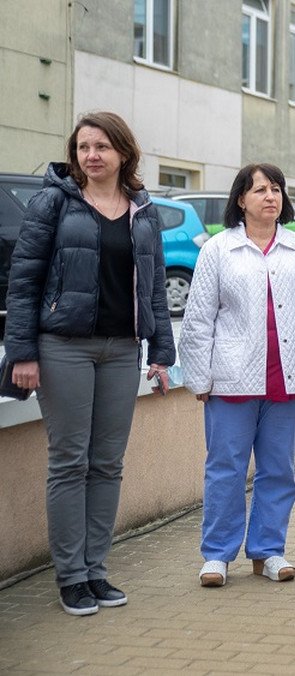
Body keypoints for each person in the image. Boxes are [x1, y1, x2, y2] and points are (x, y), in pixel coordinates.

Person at [4, 111, 174, 616]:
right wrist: (23, 353)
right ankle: (71, 577)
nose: (91, 156)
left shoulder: (143, 211)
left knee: (108, 464)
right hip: (64, 346)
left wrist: (162, 352)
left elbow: (156, 290)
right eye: (83, 147)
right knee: (69, 460)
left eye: (101, 146)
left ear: (124, 152)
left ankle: (97, 571)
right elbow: (24, 280)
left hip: (123, 349)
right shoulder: (53, 202)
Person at [179, 163, 295, 588]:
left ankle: (268, 549)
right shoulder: (218, 249)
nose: (271, 196)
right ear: (240, 200)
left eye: (277, 189)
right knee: (225, 467)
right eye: (260, 190)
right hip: (231, 378)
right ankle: (217, 554)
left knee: (279, 469)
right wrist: (199, 378)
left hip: (289, 379)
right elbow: (197, 319)